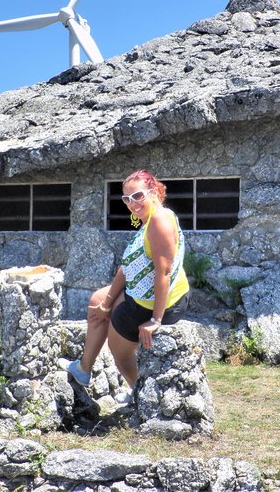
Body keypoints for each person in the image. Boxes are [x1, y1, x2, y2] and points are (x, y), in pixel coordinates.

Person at [59, 170, 189, 398]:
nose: (132, 204)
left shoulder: (158, 221)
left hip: (157, 304)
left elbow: (164, 273)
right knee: (97, 301)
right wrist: (107, 302)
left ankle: (139, 394)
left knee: (119, 354)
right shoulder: (151, 218)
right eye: (126, 199)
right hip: (145, 295)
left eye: (137, 196)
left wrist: (155, 320)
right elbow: (128, 266)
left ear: (154, 192)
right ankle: (83, 368)